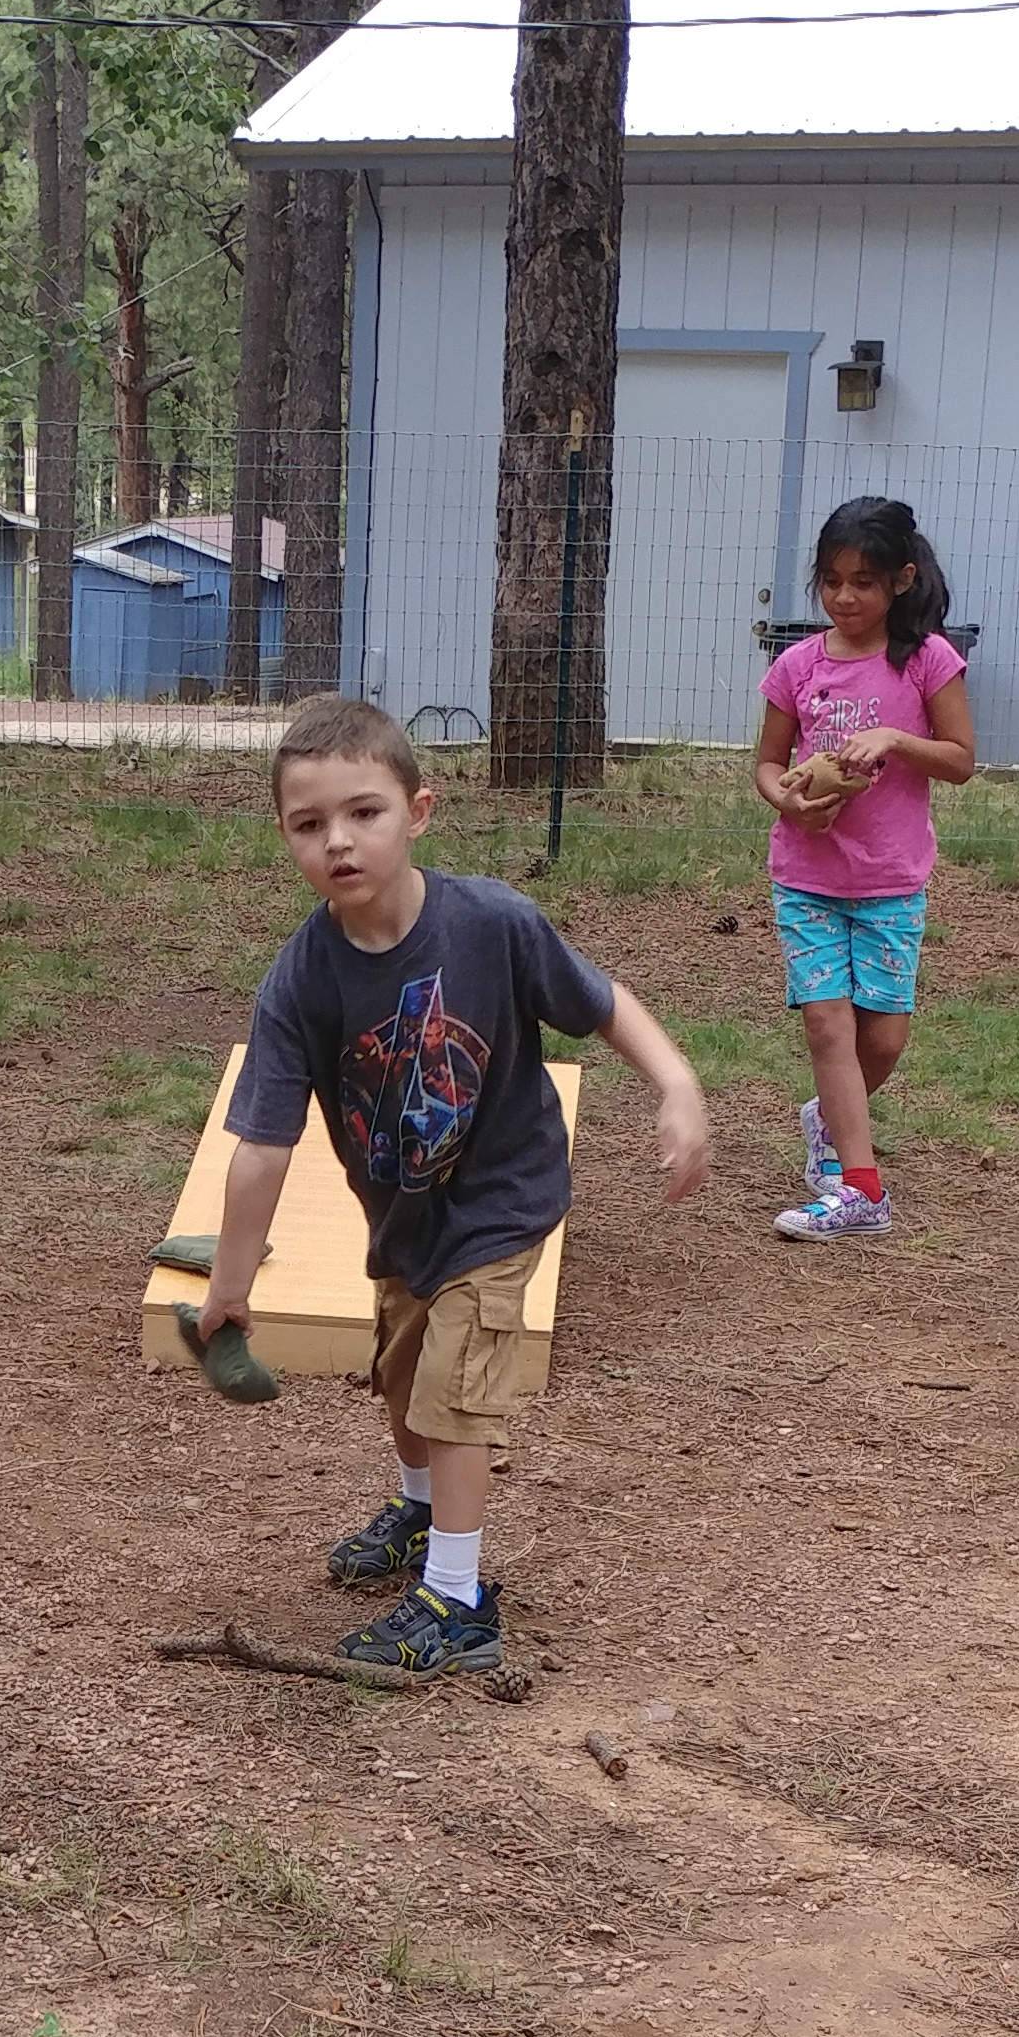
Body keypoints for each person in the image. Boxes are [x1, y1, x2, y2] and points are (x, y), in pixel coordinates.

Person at [193, 696, 710, 1678]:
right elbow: (261, 1144)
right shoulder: (301, 980)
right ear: (285, 837)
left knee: (453, 1397)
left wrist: (677, 1083)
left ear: (418, 810)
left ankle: (459, 1597)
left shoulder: (494, 924)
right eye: (311, 825)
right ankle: (420, 1510)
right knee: (402, 1373)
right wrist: (229, 1282)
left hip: (505, 1196)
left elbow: (604, 1005)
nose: (339, 841)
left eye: (364, 813)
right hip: (407, 1214)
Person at [752, 496, 975, 1243]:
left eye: (865, 582)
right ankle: (861, 1188)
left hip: (890, 881)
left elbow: (962, 761)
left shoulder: (928, 662)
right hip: (807, 876)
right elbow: (766, 764)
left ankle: (828, 1118)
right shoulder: (797, 665)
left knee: (880, 1041)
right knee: (827, 1027)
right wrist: (788, 803)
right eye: (832, 581)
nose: (845, 597)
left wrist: (894, 738)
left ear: (901, 581)